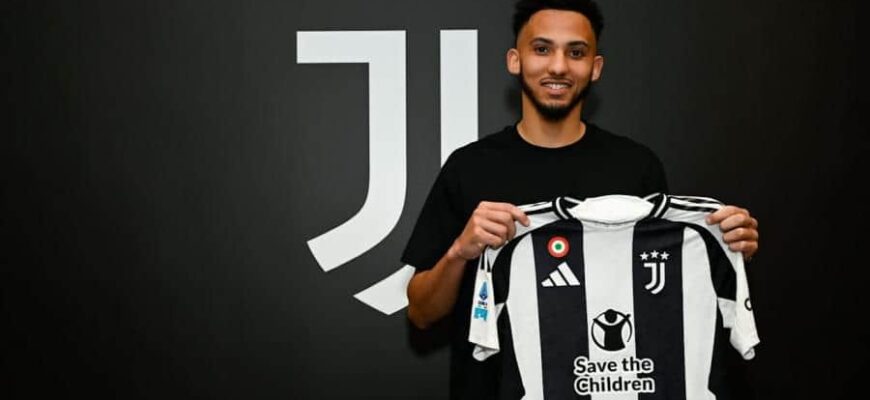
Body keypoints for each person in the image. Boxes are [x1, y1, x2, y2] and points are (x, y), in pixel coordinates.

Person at [402, 0, 760, 398]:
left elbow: (667, 291)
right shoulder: (469, 167)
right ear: (515, 60)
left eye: (576, 53)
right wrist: (460, 251)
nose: (558, 66)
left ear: (595, 67)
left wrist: (726, 246)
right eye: (542, 49)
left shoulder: (635, 166)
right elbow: (421, 313)